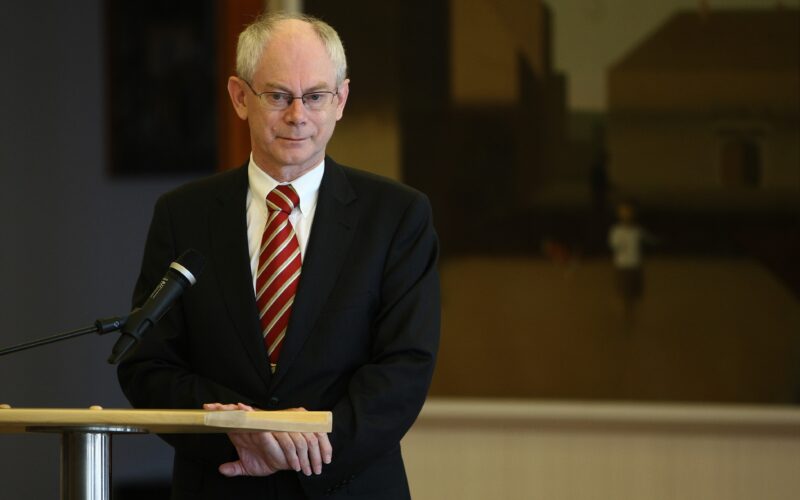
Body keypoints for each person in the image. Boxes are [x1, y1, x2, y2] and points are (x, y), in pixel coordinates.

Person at [117, 12, 440, 500]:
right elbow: (146, 364)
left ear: (341, 100)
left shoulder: (397, 216)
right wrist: (237, 430)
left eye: (316, 96)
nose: (298, 115)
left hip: (349, 486)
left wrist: (306, 447)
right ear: (239, 97)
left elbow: (405, 366)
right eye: (278, 96)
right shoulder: (182, 215)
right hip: (221, 484)